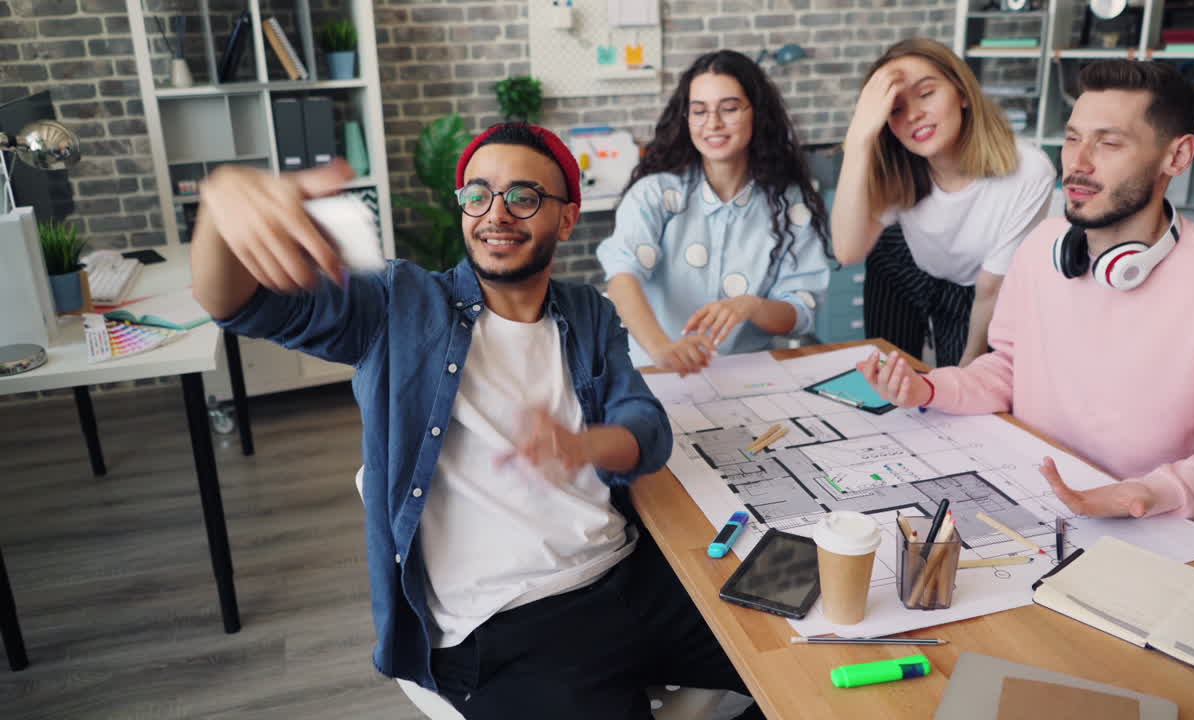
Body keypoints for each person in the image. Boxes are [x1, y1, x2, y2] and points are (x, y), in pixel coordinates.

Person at [190, 123, 765, 720]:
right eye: (477, 194)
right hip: (507, 630)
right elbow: (236, 305)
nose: (496, 213)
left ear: (566, 220)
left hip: (633, 578)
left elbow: (646, 427)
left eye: (523, 196)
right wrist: (221, 203)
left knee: (810, 669)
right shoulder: (399, 305)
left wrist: (587, 443)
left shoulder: (588, 313)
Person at [856, 60, 1194, 539]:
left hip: (1165, 533)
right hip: (1038, 507)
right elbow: (1010, 368)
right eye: (1074, 138)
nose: (1078, 162)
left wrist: (1150, 492)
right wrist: (931, 389)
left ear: (1177, 157)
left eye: (1109, 142)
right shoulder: (1043, 247)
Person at [597, 49, 832, 376]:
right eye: (699, 111)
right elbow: (623, 278)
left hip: (747, 376)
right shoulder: (655, 193)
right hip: (652, 370)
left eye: (730, 108)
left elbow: (800, 311)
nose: (713, 124)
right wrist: (662, 349)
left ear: (757, 114)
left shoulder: (789, 204)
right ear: (686, 118)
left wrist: (752, 306)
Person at [830, 38, 1056, 367]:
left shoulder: (1029, 171)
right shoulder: (899, 166)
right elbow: (848, 251)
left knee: (964, 385)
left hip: (977, 285)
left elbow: (990, 288)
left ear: (962, 92)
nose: (914, 115)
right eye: (895, 109)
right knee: (889, 379)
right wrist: (859, 138)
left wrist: (966, 374)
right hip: (906, 265)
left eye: (926, 94)